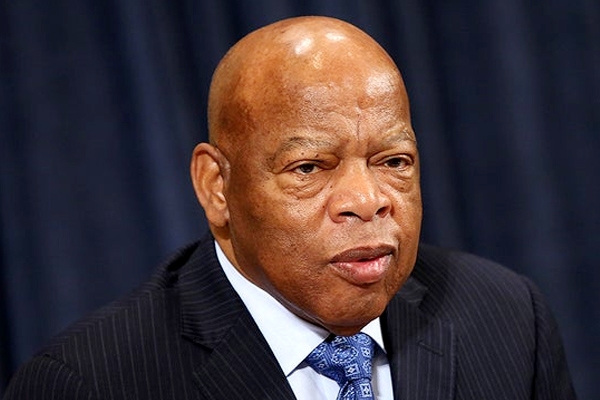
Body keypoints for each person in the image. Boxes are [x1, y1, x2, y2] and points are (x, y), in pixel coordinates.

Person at [4, 16, 575, 400]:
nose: (368, 201)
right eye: (309, 168)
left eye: (394, 161)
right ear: (217, 187)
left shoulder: (506, 318)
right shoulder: (88, 384)